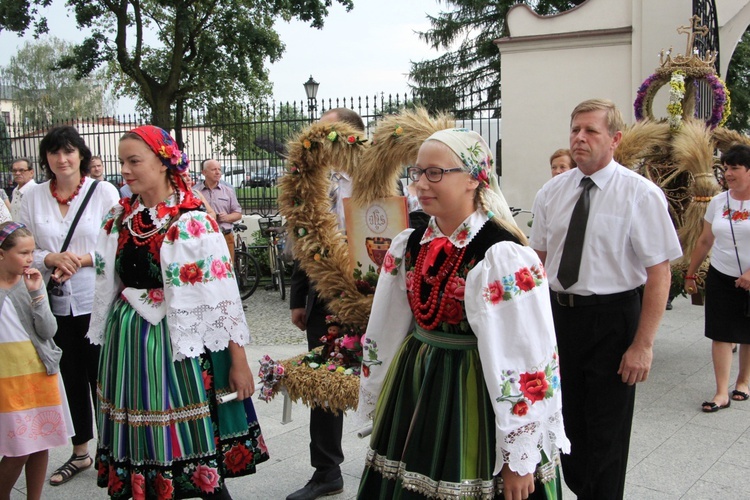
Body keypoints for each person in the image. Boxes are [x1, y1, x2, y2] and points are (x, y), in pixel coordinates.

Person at [358, 128, 569, 500]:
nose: (421, 183)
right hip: (418, 384)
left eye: (435, 173)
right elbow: (387, 326)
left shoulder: (501, 254)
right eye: (417, 172)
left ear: (474, 178)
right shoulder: (409, 243)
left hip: (477, 387)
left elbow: (526, 356)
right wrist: (377, 391)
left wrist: (517, 460)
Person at [87, 125, 268, 499]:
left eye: (134, 161)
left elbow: (223, 299)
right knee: (141, 444)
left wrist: (238, 362)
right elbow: (112, 283)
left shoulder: (192, 221)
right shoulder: (120, 218)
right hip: (129, 346)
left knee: (192, 447)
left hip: (178, 349)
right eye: (122, 161)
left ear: (164, 162)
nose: (125, 169)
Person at [529, 98, 682, 499]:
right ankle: (583, 489)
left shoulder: (640, 194)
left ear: (614, 139)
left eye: (591, 131)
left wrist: (643, 345)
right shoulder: (551, 192)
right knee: (568, 425)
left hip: (612, 319)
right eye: (575, 130)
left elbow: (659, 273)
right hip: (560, 319)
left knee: (607, 432)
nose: (580, 138)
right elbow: (538, 261)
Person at [18, 125, 120, 487]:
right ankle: (81, 451)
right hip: (54, 303)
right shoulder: (32, 196)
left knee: (102, 378)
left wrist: (82, 259)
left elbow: (117, 244)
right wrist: (50, 259)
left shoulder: (103, 191)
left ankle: (112, 451)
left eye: (69, 152)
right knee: (71, 376)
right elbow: (24, 246)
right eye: (54, 153)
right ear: (45, 159)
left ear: (81, 155)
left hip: (96, 299)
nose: (62, 159)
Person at [287, 107, 365, 500]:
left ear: (348, 137)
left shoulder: (377, 178)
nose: (317, 137)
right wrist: (298, 298)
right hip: (322, 294)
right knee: (323, 382)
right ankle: (327, 470)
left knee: (385, 379)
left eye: (326, 131)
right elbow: (306, 237)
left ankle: (395, 464)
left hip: (370, 294)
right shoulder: (316, 181)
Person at [0, 222, 74, 500]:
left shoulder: (31, 282)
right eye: (23, 253)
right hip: (7, 379)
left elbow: (48, 331)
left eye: (32, 252)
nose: (30, 259)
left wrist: (37, 294)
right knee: (18, 449)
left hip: (39, 374)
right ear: (1, 254)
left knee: (41, 443)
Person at [684, 144, 750, 412]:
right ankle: (721, 391)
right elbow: (705, 239)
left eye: (735, 168)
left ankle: (743, 382)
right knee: (720, 333)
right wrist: (691, 273)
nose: (728, 174)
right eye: (726, 168)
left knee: (747, 334)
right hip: (721, 275)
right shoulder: (717, 202)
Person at [196, 159, 242, 262]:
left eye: (219, 169)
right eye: (213, 169)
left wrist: (227, 217)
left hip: (225, 236)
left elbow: (238, 214)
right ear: (204, 172)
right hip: (203, 238)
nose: (218, 172)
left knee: (228, 268)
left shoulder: (228, 191)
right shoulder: (196, 192)